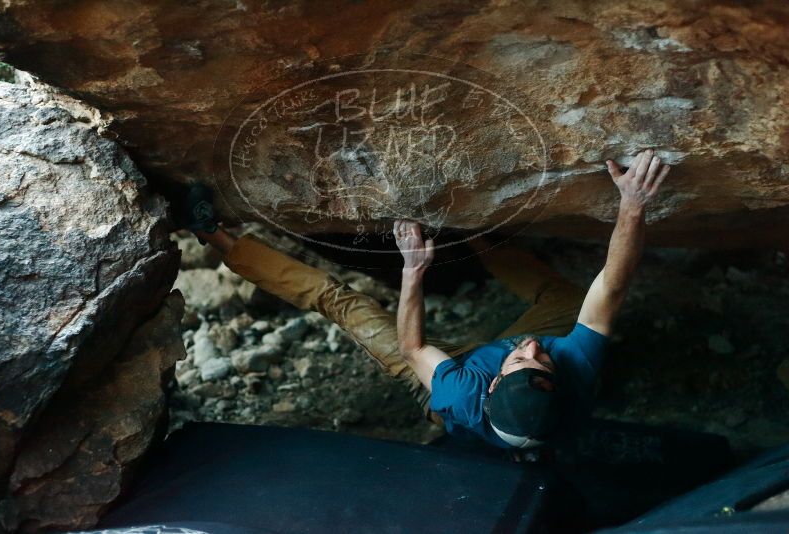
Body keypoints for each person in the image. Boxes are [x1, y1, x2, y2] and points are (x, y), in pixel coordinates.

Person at [183, 148, 670, 451]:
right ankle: (475, 240)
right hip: (505, 379)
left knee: (343, 303)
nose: (531, 347)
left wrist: (413, 270)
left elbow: (414, 349)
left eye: (524, 359)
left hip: (435, 376)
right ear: (555, 383)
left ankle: (211, 235)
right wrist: (632, 205)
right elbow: (612, 284)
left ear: (494, 387)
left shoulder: (460, 395)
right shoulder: (573, 370)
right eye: (542, 359)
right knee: (567, 297)